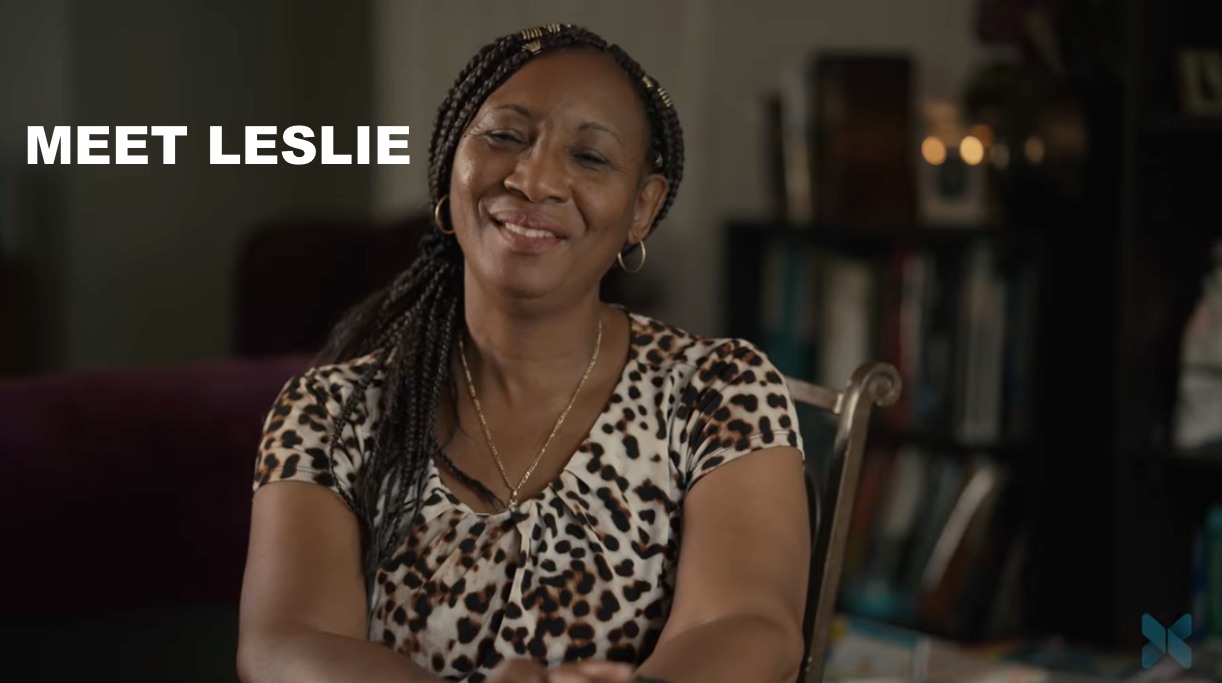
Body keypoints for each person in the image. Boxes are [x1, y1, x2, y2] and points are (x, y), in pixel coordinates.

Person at [238, 24, 810, 683]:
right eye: (505, 137)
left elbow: (748, 625)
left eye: (591, 158)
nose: (535, 179)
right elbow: (284, 644)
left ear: (641, 210)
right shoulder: (329, 409)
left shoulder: (720, 389)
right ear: (451, 166)